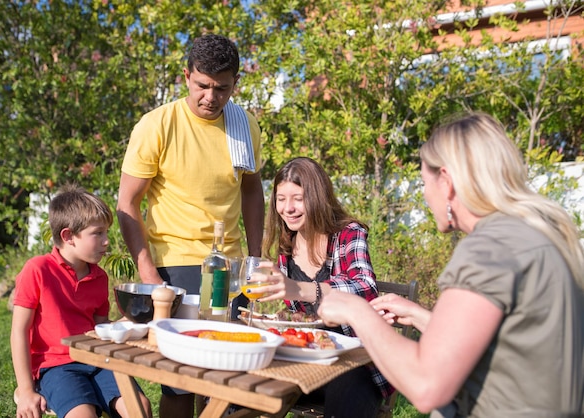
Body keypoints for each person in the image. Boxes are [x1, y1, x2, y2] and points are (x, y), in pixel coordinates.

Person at [317, 112, 584, 417]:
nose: (425, 195)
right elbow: (514, 349)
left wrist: (355, 309)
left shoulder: (489, 249)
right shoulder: (538, 234)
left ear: (446, 181)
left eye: (423, 183)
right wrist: (421, 316)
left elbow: (427, 384)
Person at [116, 33, 264, 418]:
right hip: (175, 263)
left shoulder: (243, 125)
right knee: (180, 382)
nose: (211, 98)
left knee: (226, 381)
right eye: (202, 85)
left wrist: (256, 257)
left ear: (235, 84)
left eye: (222, 88)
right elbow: (127, 203)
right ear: (186, 76)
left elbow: (251, 191)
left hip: (229, 268)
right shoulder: (157, 125)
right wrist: (149, 274)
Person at [253, 157, 394, 418]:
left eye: (298, 198)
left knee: (347, 389)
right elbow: (303, 319)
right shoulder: (287, 247)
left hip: (355, 362)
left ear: (317, 196)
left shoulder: (348, 234)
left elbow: (365, 287)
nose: (288, 208)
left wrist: (302, 289)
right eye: (280, 199)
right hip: (307, 361)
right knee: (243, 382)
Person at [10, 184, 153, 418]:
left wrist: (131, 319)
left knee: (140, 408)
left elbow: (100, 328)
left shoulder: (99, 276)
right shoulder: (37, 269)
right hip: (56, 366)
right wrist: (26, 390)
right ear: (68, 236)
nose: (107, 241)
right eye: (98, 233)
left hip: (97, 359)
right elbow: (19, 331)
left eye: (106, 232)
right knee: (83, 415)